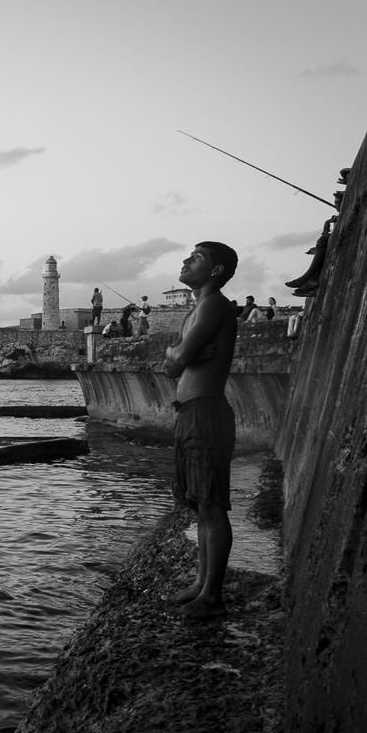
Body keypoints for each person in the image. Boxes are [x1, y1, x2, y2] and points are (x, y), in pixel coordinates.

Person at [163, 241, 239, 619]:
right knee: (198, 504)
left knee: (211, 504)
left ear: (215, 271)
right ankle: (201, 583)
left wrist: (177, 356)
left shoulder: (214, 305)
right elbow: (174, 362)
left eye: (197, 258)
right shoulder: (196, 310)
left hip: (207, 414)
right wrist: (176, 356)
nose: (186, 261)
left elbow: (177, 362)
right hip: (190, 413)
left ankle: (213, 596)